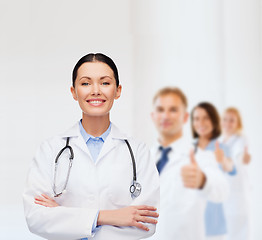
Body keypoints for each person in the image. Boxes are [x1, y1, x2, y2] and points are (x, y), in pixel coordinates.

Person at [23, 53, 160, 240]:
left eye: (105, 83)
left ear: (118, 90)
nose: (95, 90)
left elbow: (145, 223)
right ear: (74, 92)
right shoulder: (50, 150)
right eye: (86, 83)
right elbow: (36, 218)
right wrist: (106, 217)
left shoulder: (138, 152)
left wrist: (66, 217)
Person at [149, 87, 229, 240]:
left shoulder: (200, 156)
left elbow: (222, 189)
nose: (165, 116)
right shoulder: (144, 158)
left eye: (173, 110)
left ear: (185, 117)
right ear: (153, 116)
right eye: (160, 110)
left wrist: (203, 181)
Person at [191, 102, 236, 240]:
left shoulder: (220, 147)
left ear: (214, 120)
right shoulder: (189, 148)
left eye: (206, 118)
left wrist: (223, 161)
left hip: (214, 223)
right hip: (191, 220)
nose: (201, 123)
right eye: (197, 118)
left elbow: (231, 168)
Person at [220, 107, 251, 240]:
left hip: (237, 194)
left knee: (238, 230)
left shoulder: (241, 139)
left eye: (232, 120)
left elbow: (241, 156)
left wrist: (243, 158)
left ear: (238, 123)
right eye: (225, 120)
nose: (227, 123)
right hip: (224, 194)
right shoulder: (220, 141)